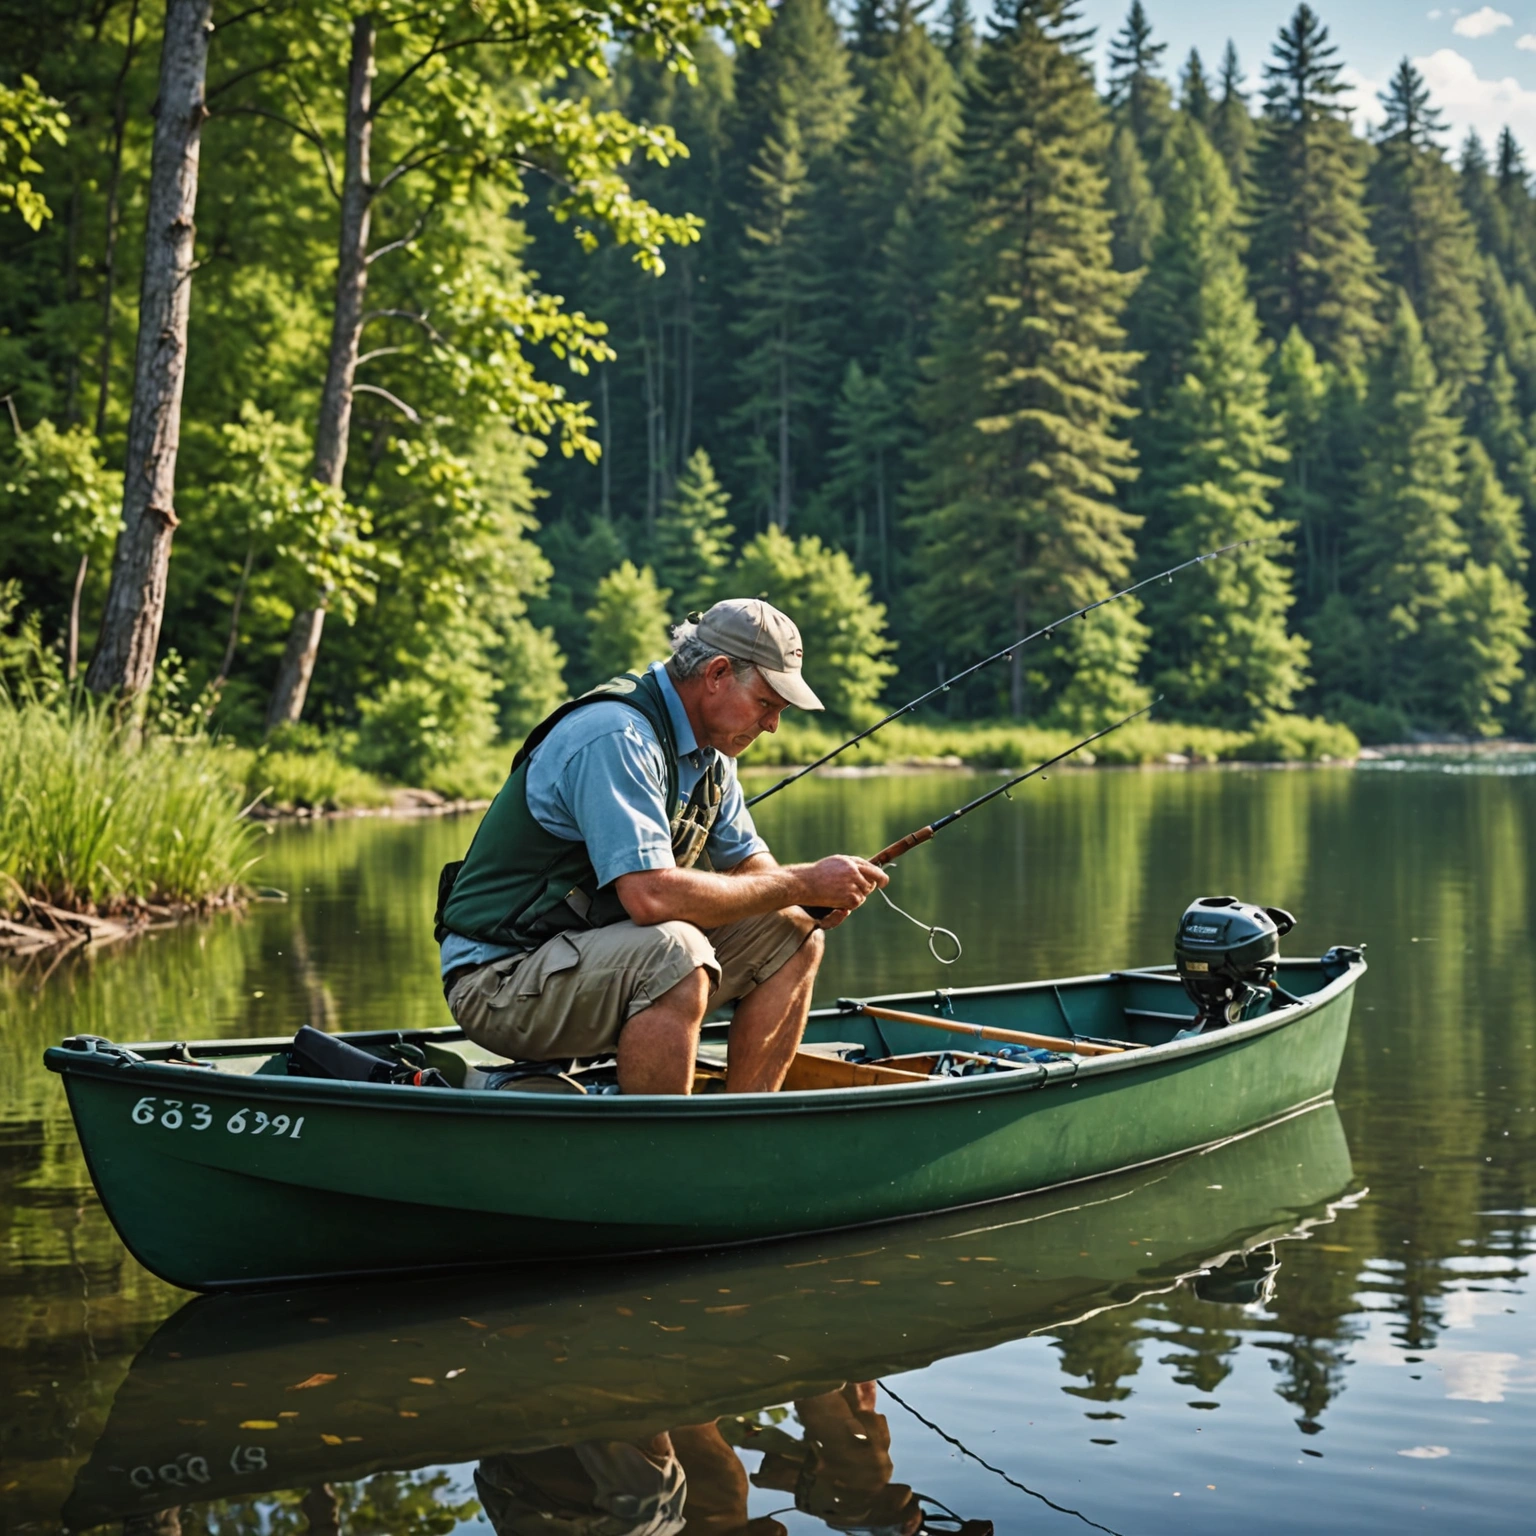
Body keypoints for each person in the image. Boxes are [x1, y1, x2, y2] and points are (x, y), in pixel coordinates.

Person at [436, 598, 889, 1095]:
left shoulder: (714, 749)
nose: (772, 724)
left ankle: (744, 1126)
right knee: (677, 954)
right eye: (766, 703)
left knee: (794, 931)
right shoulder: (616, 735)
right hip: (500, 981)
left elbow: (752, 867)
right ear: (717, 673)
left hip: (591, 962)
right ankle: (665, 1148)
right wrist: (801, 881)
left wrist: (806, 899)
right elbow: (649, 898)